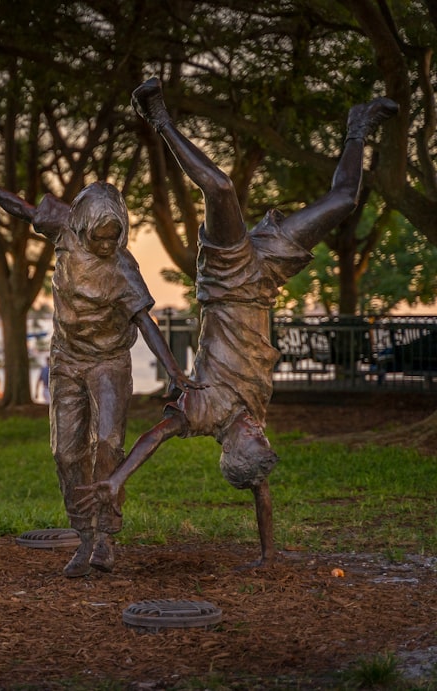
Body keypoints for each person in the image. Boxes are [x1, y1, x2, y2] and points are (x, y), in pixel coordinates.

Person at [76, 78, 398, 568]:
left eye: (253, 436)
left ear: (233, 447)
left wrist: (116, 479)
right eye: (261, 436)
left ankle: (158, 118)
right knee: (344, 201)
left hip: (227, 280)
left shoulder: (202, 411)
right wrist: (269, 557)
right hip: (265, 278)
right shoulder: (253, 434)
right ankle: (358, 127)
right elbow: (261, 491)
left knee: (221, 187)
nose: (259, 428)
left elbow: (153, 438)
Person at [0, 174, 200, 577]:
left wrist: (175, 371)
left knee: (108, 444)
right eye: (101, 237)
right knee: (65, 451)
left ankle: (106, 538)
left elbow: (145, 322)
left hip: (109, 362)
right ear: (81, 227)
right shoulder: (65, 228)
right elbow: (20, 206)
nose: (108, 245)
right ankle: (83, 536)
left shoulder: (124, 268)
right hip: (65, 359)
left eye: (116, 237)